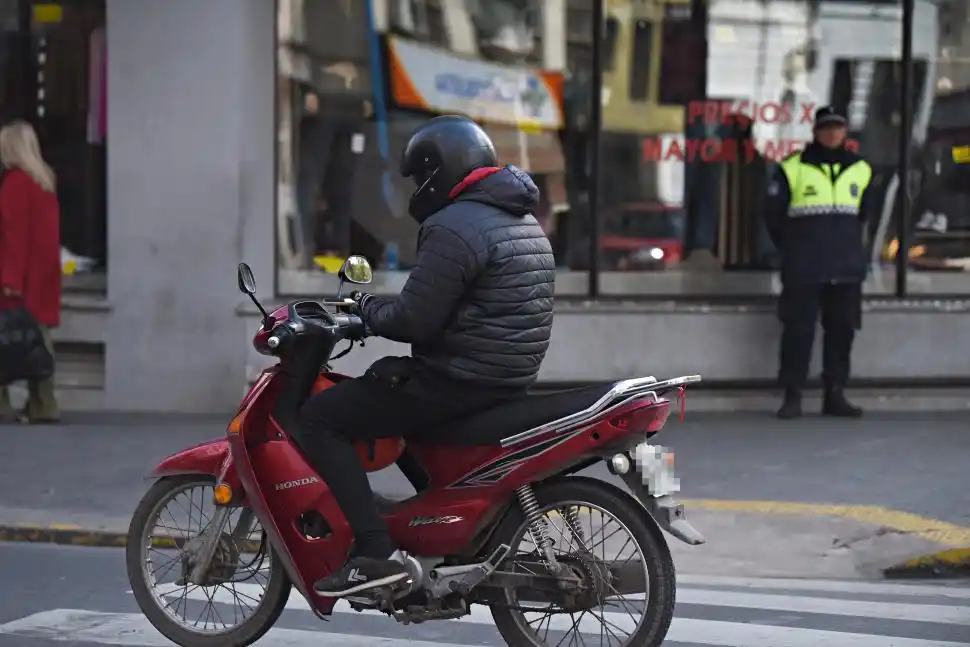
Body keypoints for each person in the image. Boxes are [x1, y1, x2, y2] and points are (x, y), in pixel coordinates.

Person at [294, 115, 556, 598]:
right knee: (387, 380)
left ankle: (374, 553)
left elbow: (414, 319)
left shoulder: (454, 224)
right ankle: (430, 525)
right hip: (503, 376)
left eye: (419, 177)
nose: (417, 189)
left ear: (440, 169)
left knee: (321, 418)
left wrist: (364, 309)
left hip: (460, 377)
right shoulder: (520, 218)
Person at [765, 106, 873, 420]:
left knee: (842, 331)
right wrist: (793, 249)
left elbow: (864, 214)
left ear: (845, 132)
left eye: (838, 127)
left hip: (846, 267)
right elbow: (772, 217)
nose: (832, 133)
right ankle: (792, 395)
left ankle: (835, 393)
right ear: (815, 131)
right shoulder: (792, 168)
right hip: (804, 266)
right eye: (826, 128)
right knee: (798, 331)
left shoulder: (861, 169)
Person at [0, 120, 61, 424]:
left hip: (19, 276)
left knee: (8, 338)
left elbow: (13, 235)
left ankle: (7, 403)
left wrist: (9, 278)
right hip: (42, 274)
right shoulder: (44, 181)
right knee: (37, 339)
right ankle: (43, 402)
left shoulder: (15, 183)